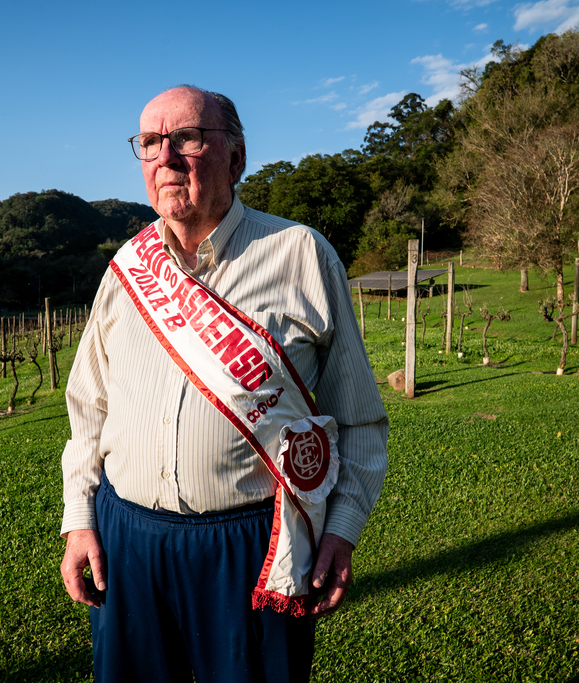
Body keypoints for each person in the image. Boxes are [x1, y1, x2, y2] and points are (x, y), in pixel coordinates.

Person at [59, 85, 388, 683]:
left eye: (186, 137)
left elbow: (359, 418)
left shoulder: (301, 255)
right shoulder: (127, 270)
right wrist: (81, 518)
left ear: (235, 157)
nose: (165, 157)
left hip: (251, 546)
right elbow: (88, 409)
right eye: (150, 143)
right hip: (128, 542)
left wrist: (341, 529)